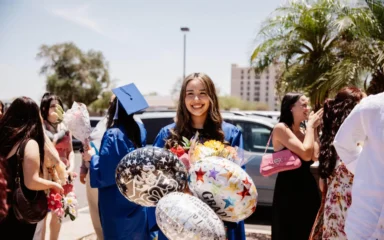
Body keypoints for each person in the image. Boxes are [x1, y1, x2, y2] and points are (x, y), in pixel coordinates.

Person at [150, 72, 245, 240]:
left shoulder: (229, 134)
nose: (196, 100)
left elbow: (239, 182)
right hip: (178, 222)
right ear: (182, 98)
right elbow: (154, 182)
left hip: (218, 220)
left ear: (211, 97)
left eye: (202, 93)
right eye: (190, 94)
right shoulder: (168, 134)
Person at [83, 83, 156, 240]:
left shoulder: (114, 134)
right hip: (135, 197)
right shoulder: (139, 130)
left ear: (114, 108)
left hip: (116, 200)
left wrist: (92, 157)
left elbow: (108, 172)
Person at [0, 97, 64, 239]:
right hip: (18, 211)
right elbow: (31, 181)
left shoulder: (4, 140)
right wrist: (53, 185)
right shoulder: (29, 144)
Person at [309, 87, 364, 239]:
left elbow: (322, 184)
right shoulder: (358, 142)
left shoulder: (331, 140)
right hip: (354, 214)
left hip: (333, 213)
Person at [271, 93, 323, 240]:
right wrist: (311, 126)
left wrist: (313, 130)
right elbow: (305, 154)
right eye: (304, 105)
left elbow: (315, 156)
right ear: (291, 108)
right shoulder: (281, 128)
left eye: (308, 105)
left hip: (307, 188)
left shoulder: (304, 131)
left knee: (307, 232)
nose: (308, 108)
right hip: (288, 191)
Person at [334, 91, 384, 239]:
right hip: (366, 225)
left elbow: (343, 143)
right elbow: (343, 143)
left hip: (364, 222)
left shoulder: (373, 105)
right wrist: (365, 171)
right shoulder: (373, 105)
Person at [39, 93, 75, 240]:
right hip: (48, 175)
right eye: (52, 105)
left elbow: (71, 151)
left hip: (64, 175)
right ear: (45, 108)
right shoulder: (40, 127)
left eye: (58, 105)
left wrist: (71, 167)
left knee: (59, 213)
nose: (56, 108)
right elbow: (51, 143)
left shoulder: (66, 127)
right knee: (43, 215)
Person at [79, 116, 108, 240]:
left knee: (105, 218)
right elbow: (90, 145)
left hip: (106, 176)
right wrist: (84, 168)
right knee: (96, 215)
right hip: (94, 172)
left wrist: (93, 157)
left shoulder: (116, 130)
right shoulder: (102, 124)